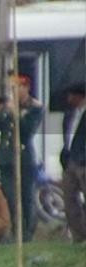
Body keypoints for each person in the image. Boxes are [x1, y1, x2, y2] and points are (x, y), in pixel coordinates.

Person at [0, 75, 44, 242]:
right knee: (11, 197)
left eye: (17, 88)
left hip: (23, 157)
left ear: (26, 88)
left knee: (26, 197)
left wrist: (17, 114)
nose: (14, 92)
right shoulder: (8, 107)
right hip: (7, 158)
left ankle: (27, 233)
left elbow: (27, 131)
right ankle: (15, 231)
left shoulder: (34, 107)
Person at [60, 81, 86, 243]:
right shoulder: (69, 114)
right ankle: (79, 235)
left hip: (83, 161)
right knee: (69, 200)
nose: (69, 99)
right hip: (70, 161)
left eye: (72, 95)